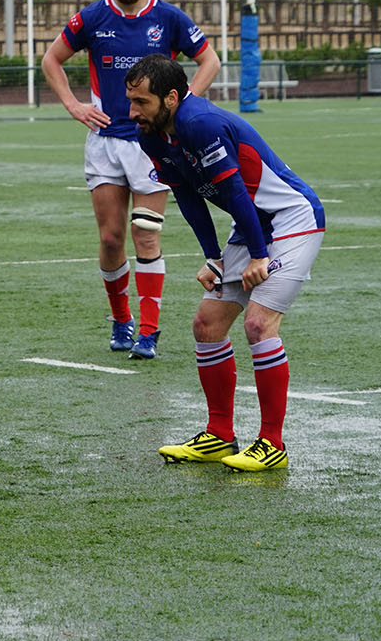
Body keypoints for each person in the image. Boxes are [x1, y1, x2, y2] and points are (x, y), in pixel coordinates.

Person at [124, 54, 324, 471]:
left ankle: (272, 444)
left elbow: (234, 194)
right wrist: (213, 257)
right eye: (131, 101)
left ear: (171, 98)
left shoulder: (201, 124)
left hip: (292, 219)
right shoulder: (152, 136)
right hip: (252, 224)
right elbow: (188, 198)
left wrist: (259, 255)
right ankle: (219, 435)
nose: (132, 112)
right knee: (207, 325)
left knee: (258, 323)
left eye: (141, 102)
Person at [41, 0, 221, 359]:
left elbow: (209, 60)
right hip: (105, 142)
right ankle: (121, 320)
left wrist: (182, 105)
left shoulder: (169, 17)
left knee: (146, 235)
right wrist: (74, 105)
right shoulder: (92, 17)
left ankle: (149, 331)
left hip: (152, 146)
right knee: (110, 238)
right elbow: (51, 60)